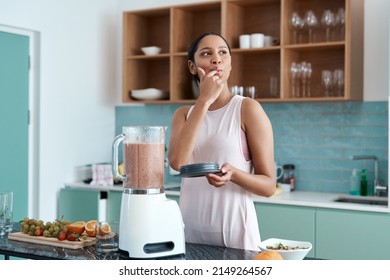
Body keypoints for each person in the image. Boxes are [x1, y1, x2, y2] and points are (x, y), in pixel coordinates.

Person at [168, 32, 276, 251]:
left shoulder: (247, 109)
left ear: (230, 64)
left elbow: (268, 186)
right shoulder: (183, 114)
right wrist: (204, 100)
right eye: (206, 53)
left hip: (236, 234)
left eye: (223, 53)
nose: (216, 59)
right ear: (192, 66)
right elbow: (177, 162)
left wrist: (234, 174)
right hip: (188, 232)